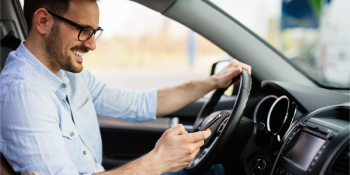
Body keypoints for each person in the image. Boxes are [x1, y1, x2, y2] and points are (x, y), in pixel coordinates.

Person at [0, 0, 251, 174]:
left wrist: (214, 82)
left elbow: (139, 104)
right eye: (83, 31)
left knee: (212, 168)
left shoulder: (70, 75)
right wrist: (157, 161)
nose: (92, 45)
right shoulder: (23, 95)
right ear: (43, 21)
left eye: (94, 32)